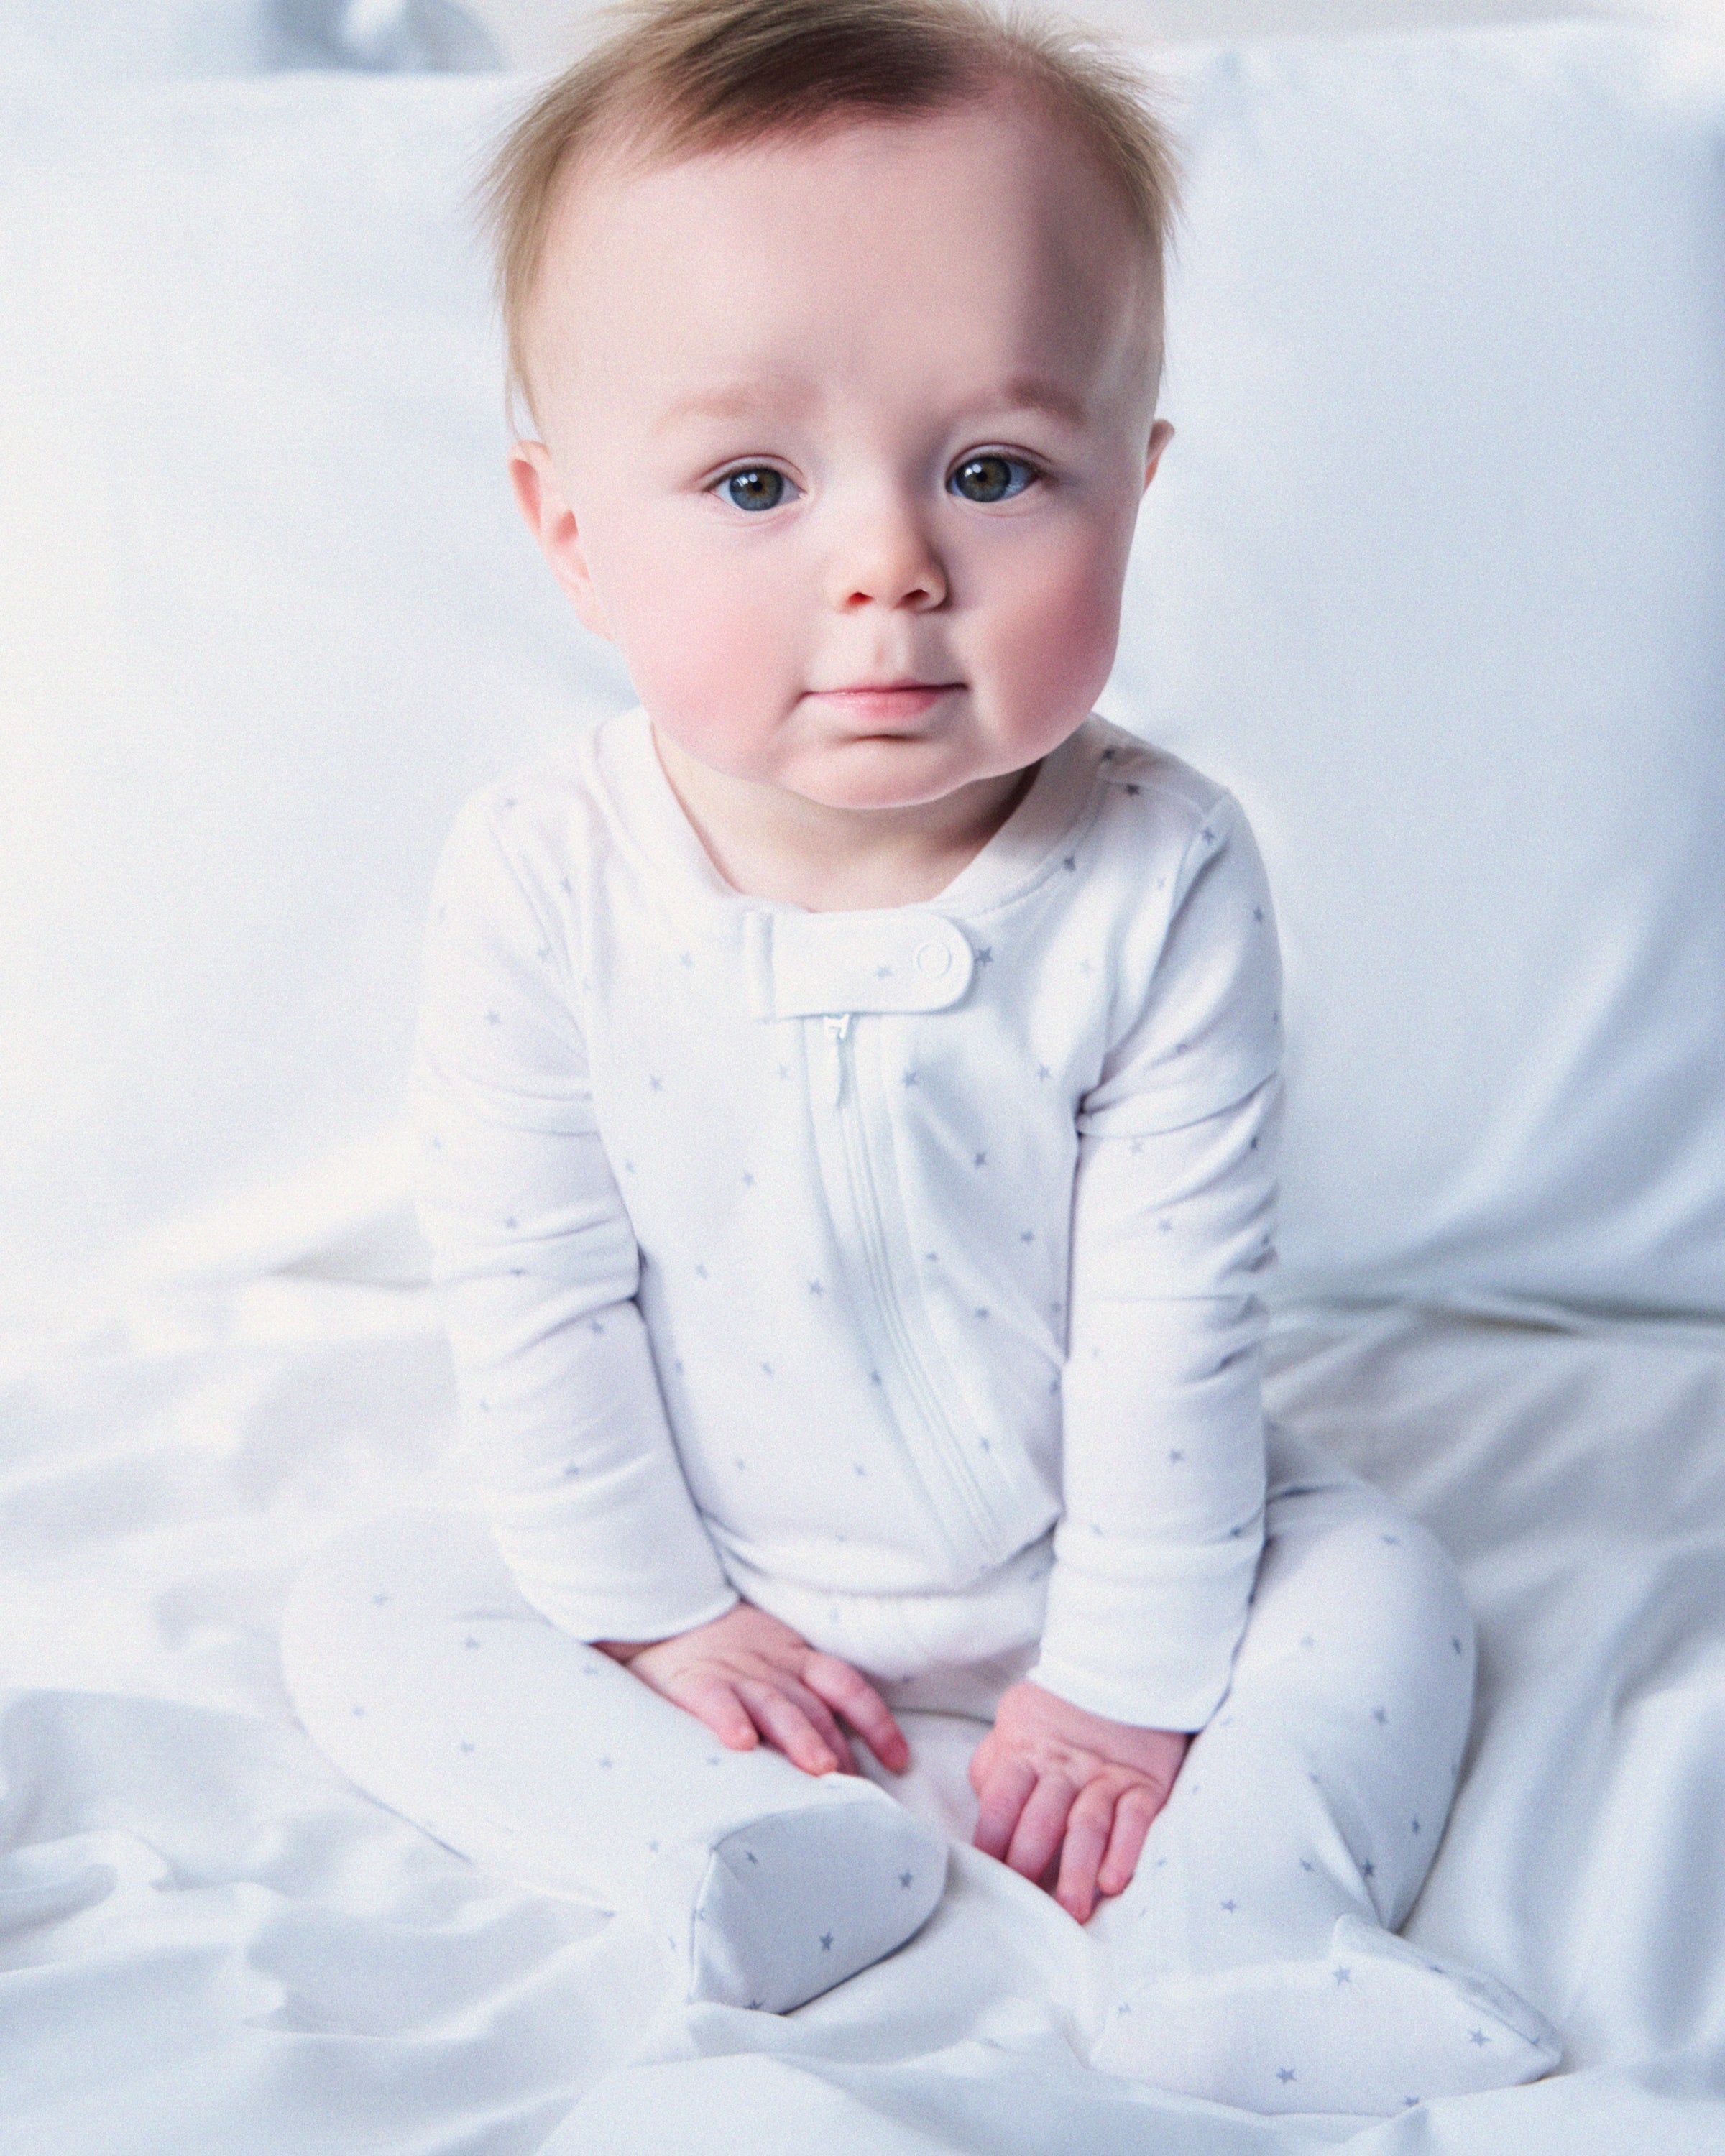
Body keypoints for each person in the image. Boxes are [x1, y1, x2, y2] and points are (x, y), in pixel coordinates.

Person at [281, 0, 1558, 2112]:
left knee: (1392, 1587)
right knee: (372, 1601)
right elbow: (532, 1276)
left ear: (1135, 492)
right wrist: (651, 1615)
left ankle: (1240, 1933)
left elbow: (1175, 1306)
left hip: (1095, 1533)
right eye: (756, 481)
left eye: (994, 470)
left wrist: (1132, 1681)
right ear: (572, 532)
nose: (890, 563)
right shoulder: (546, 873)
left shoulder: (1160, 870)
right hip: (721, 1549)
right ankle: (730, 1845)